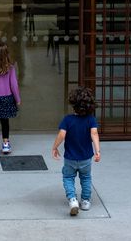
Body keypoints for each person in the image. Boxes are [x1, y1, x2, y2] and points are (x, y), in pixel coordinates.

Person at [52, 86, 101, 216]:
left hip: (70, 158)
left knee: (68, 177)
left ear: (73, 104)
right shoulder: (91, 120)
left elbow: (62, 135)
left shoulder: (68, 120)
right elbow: (94, 134)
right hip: (86, 158)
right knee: (86, 178)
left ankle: (72, 199)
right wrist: (98, 151)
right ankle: (85, 201)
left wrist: (55, 147)